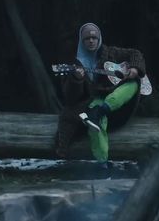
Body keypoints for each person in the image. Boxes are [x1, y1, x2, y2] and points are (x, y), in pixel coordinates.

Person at [54, 22, 146, 169]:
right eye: (87, 39)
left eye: (94, 38)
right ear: (82, 41)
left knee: (134, 84)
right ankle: (102, 164)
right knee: (96, 123)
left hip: (118, 102)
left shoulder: (111, 52)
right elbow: (71, 98)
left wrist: (135, 68)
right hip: (94, 100)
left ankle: (101, 110)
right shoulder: (75, 63)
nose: (91, 41)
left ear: (99, 39)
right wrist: (77, 80)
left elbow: (136, 53)